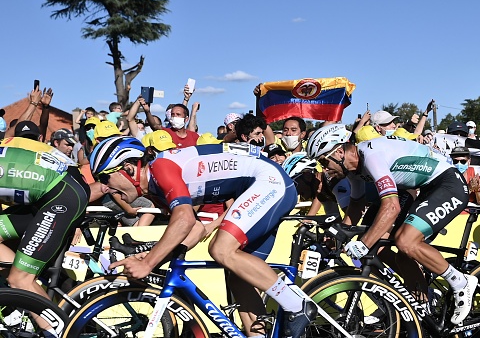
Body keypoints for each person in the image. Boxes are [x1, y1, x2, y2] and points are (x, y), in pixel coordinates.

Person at [91, 137, 315, 337]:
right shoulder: (154, 190)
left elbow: (184, 219)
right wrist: (151, 258)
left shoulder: (160, 168)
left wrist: (149, 263)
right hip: (260, 185)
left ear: (128, 169)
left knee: (221, 250)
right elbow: (195, 229)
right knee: (238, 277)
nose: (105, 188)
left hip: (269, 182)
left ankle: (297, 305)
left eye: (105, 177)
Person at [306, 124, 477, 325]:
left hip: (448, 184)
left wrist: (363, 244)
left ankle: (461, 282)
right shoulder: (354, 170)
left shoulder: (371, 156)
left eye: (324, 161)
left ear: (340, 151)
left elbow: (392, 206)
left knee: (405, 241)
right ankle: (419, 300)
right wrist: (342, 232)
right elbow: (356, 204)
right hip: (422, 189)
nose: (324, 169)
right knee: (380, 250)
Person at [0, 137, 89, 335]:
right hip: (59, 186)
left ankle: (59, 332)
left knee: (20, 279)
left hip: (62, 193)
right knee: (19, 277)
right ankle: (21, 295)